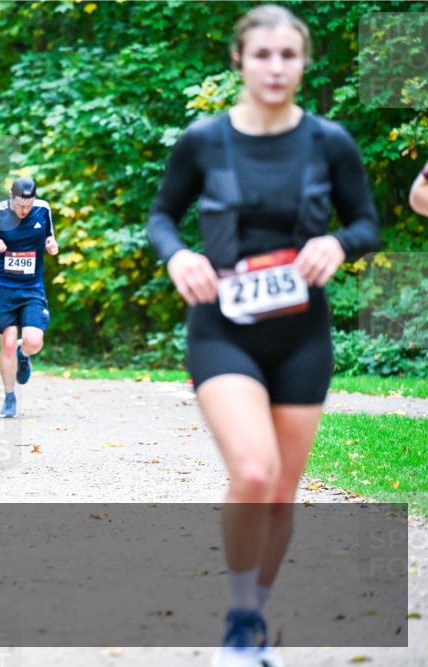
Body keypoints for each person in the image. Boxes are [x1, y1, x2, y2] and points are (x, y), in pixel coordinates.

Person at [145, 6, 379, 666]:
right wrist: (176, 255)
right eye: (263, 55)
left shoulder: (329, 141)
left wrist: (338, 242)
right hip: (222, 325)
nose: (276, 67)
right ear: (239, 61)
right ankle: (241, 626)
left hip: (302, 333)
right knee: (253, 469)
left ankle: (252, 610)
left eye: (288, 55)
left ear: (303, 63)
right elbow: (162, 215)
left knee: (280, 491)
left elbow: (367, 223)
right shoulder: (204, 140)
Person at [0, 177, 58, 418]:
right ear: (10, 197)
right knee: (9, 342)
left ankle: (25, 356)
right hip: (3, 287)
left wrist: (51, 245)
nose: (25, 210)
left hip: (32, 287)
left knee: (33, 341)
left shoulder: (43, 209)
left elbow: (49, 237)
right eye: (20, 205)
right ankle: (9, 397)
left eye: (29, 205)